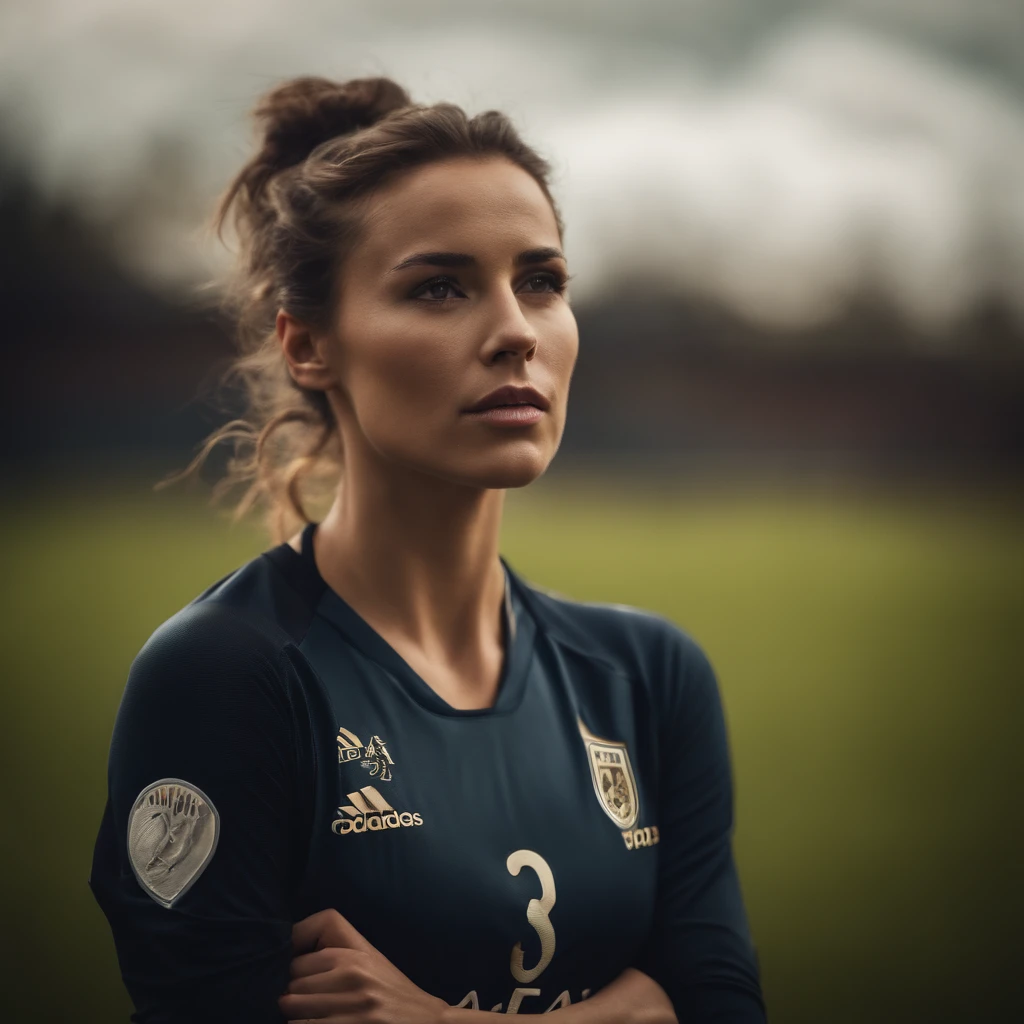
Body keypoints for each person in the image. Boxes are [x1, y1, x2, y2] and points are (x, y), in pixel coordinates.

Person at [89, 74, 766, 1023]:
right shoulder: (224, 678)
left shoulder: (648, 676)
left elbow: (721, 1002)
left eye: (542, 281)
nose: (515, 332)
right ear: (309, 345)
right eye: (440, 287)